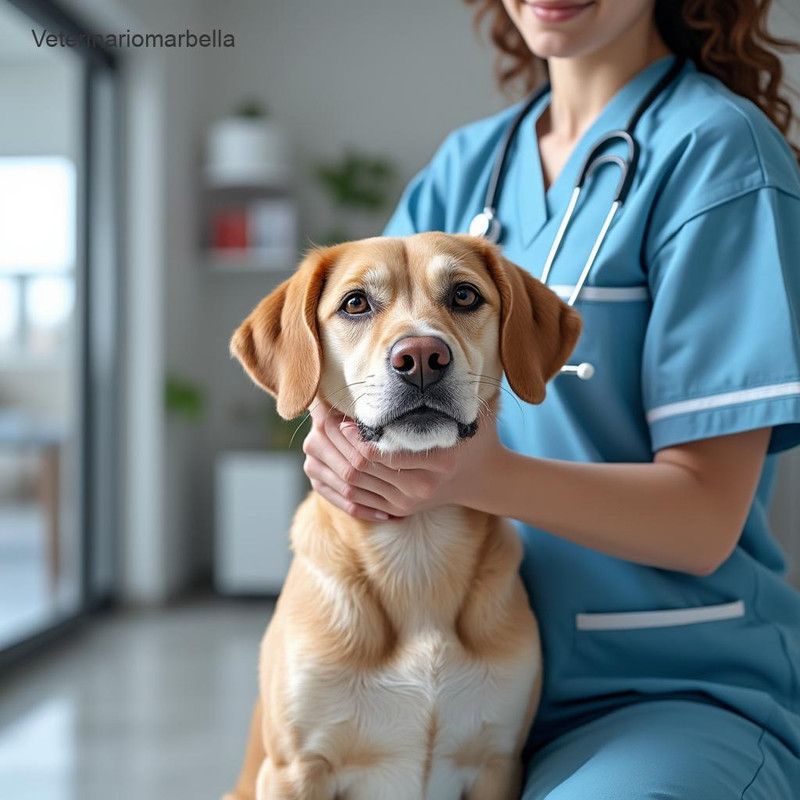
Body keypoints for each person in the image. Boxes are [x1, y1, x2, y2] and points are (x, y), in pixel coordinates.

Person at [301, 0, 800, 796]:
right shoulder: (467, 168)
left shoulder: (720, 156)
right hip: (455, 685)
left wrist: (475, 475)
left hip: (661, 692)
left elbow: (708, 520)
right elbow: (352, 371)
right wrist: (337, 449)